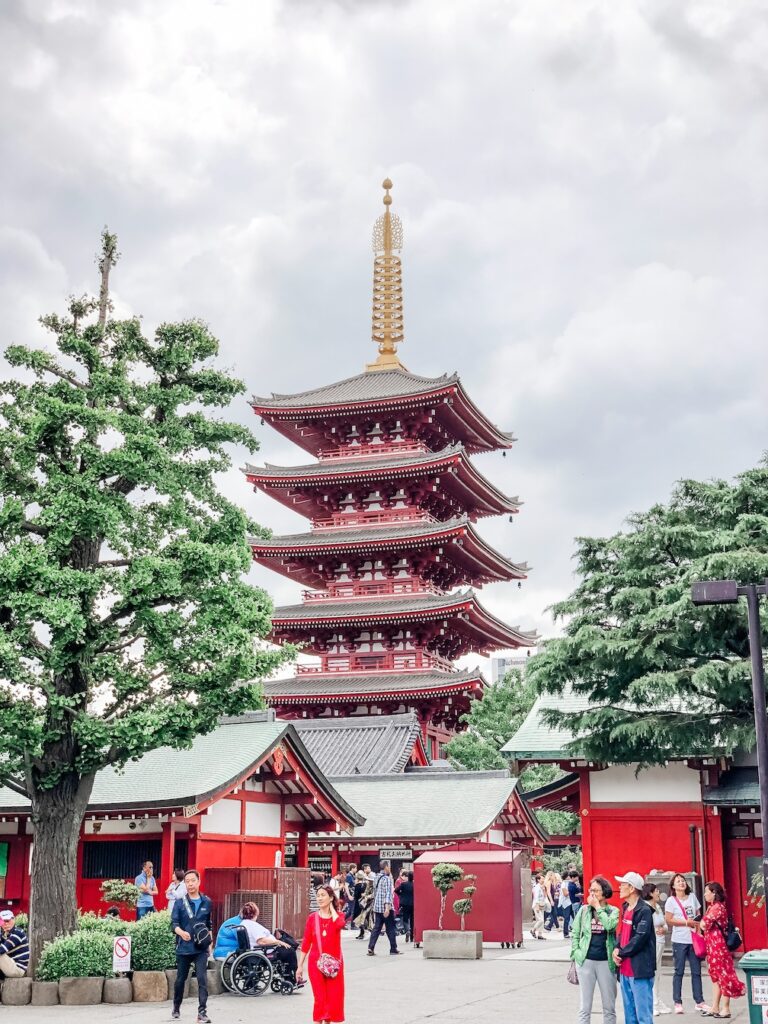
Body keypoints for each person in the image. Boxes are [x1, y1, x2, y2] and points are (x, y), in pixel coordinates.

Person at [570, 875, 619, 1024]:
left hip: (606, 961)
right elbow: (575, 933)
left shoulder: (613, 911)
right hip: (586, 960)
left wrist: (598, 907)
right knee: (585, 1007)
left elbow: (610, 926)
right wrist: (576, 953)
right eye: (591, 890)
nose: (592, 894)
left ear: (604, 892)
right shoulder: (584, 910)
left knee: (609, 1006)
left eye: (596, 891)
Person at [297, 883, 346, 1024]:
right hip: (315, 963)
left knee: (333, 998)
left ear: (331, 897)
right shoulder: (312, 918)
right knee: (320, 999)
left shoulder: (338, 916)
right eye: (318, 896)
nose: (319, 898)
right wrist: (300, 966)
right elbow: (306, 943)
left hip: (334, 964)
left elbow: (339, 925)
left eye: (323, 895)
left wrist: (331, 909)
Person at [612, 871, 656, 1024]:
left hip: (639, 970)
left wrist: (622, 953)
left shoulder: (644, 911)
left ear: (631, 888)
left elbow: (640, 938)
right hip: (625, 969)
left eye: (623, 884)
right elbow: (622, 933)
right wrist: (617, 948)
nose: (620, 887)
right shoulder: (626, 907)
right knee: (630, 1016)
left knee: (643, 1016)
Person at [170, 869, 212, 1024]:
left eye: (193, 880)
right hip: (184, 948)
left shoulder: (207, 902)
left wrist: (210, 943)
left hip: (201, 948)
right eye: (187, 881)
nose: (190, 884)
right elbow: (173, 924)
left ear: (199, 881)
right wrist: (181, 932)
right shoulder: (180, 903)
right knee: (181, 979)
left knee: (202, 979)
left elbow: (209, 925)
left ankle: (202, 1012)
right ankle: (176, 1006)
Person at [698, 881, 745, 1018]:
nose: (705, 894)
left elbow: (704, 924)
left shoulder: (717, 908)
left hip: (718, 947)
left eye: (707, 891)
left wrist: (702, 923)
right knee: (716, 977)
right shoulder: (712, 907)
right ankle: (715, 1007)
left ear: (714, 893)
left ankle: (725, 1008)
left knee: (724, 976)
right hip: (712, 947)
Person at [664, 872, 708, 1014]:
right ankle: (677, 1002)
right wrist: (685, 922)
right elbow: (669, 920)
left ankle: (699, 1001)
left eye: (683, 881)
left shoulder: (692, 897)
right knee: (679, 971)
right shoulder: (671, 901)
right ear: (673, 886)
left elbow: (698, 915)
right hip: (679, 940)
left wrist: (698, 931)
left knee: (696, 971)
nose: (682, 883)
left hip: (693, 938)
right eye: (678, 881)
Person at [239, 901, 302, 983]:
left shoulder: (243, 923)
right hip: (264, 951)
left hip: (259, 950)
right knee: (289, 951)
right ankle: (292, 979)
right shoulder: (252, 925)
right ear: (255, 913)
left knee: (287, 941)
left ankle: (296, 947)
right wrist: (278, 942)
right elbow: (261, 941)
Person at [641, 882, 672, 1016]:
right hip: (651, 944)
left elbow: (664, 924)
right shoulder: (645, 908)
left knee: (657, 973)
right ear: (650, 893)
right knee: (651, 973)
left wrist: (663, 929)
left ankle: (657, 1000)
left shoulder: (657, 907)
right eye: (656, 891)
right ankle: (651, 1003)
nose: (659, 893)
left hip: (660, 942)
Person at [367, 860, 399, 956]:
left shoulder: (376, 877)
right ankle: (393, 948)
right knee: (391, 928)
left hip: (377, 906)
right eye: (389, 867)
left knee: (376, 928)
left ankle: (370, 947)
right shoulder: (387, 879)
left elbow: (376, 892)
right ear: (386, 867)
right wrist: (387, 908)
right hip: (386, 907)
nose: (390, 869)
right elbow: (388, 894)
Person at [0, 910, 29, 978]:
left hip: (17, 969)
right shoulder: (3, 934)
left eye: (8, 921)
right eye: (3, 921)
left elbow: (2, 950)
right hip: (9, 965)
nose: (5, 923)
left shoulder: (18, 933)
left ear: (13, 920)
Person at [353, 870, 373, 939]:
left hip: (361, 904)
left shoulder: (358, 885)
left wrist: (366, 896)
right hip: (365, 904)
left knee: (360, 918)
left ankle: (364, 932)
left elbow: (355, 895)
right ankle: (363, 932)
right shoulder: (365, 885)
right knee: (364, 918)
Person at [396, 870, 414, 943]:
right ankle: (412, 937)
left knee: (405, 919)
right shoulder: (415, 884)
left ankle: (407, 931)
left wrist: (401, 895)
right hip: (413, 904)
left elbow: (396, 890)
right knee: (412, 919)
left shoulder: (403, 884)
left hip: (404, 903)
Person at [530, 872, 550, 941]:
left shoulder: (542, 887)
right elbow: (536, 897)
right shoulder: (536, 887)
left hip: (542, 904)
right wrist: (537, 906)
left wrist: (544, 890)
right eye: (542, 879)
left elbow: (544, 896)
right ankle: (533, 930)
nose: (543, 880)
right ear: (538, 880)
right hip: (537, 905)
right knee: (540, 920)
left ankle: (540, 934)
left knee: (542, 919)